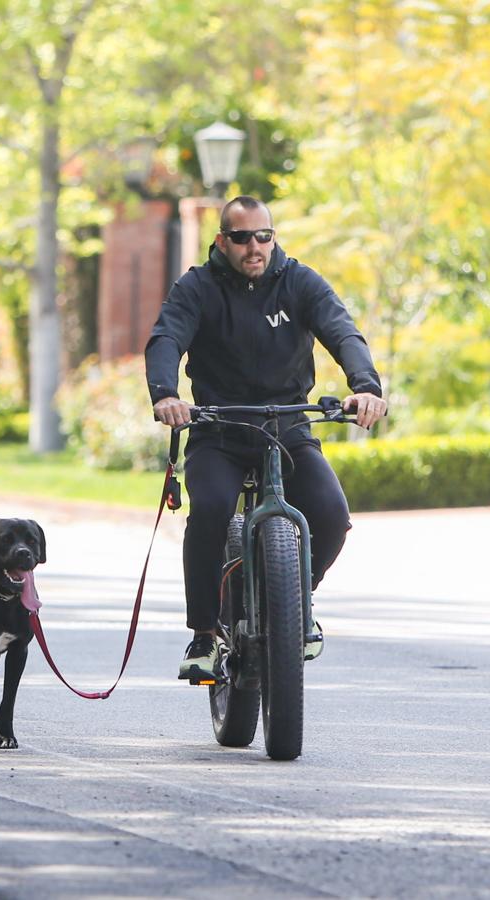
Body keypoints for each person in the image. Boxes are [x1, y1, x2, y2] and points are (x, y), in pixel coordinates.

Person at [145, 195, 387, 681]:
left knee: (332, 516)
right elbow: (166, 338)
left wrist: (365, 385)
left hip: (288, 429)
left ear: (273, 237)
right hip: (220, 429)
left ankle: (296, 598)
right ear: (222, 241)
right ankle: (204, 634)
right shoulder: (198, 287)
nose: (254, 246)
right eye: (241, 237)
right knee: (211, 509)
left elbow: (342, 331)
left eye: (264, 235)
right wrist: (166, 393)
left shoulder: (300, 282)